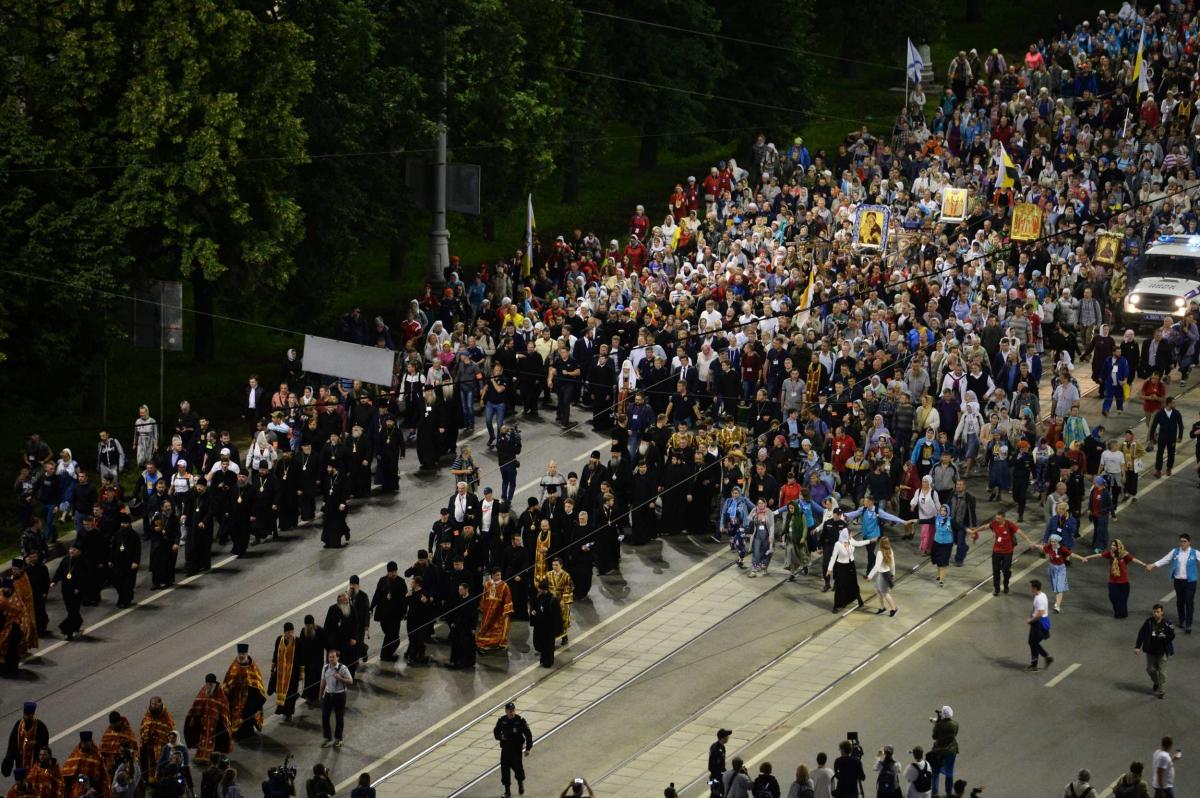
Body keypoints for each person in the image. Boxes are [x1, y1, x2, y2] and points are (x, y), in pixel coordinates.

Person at [1146, 534, 1197, 633]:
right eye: (1181, 541)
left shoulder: (1195, 553)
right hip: (1178, 581)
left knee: (1189, 602)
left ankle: (1188, 624)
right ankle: (1182, 620)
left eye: (1184, 541)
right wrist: (1153, 565)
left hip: (1190, 582)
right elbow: (1165, 559)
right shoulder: (1175, 551)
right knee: (1180, 602)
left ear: (1189, 542)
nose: (1182, 543)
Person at [182, 674, 232, 762]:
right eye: (207, 684)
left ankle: (216, 757)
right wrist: (193, 718)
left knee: (218, 740)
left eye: (210, 684)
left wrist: (222, 721)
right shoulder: (203, 691)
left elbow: (224, 708)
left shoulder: (220, 694)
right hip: (204, 722)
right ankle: (203, 757)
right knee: (203, 739)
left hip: (217, 723)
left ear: (214, 683)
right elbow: (197, 704)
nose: (208, 686)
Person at [221, 644, 266, 741]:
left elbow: (258, 682)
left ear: (247, 654)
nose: (241, 656)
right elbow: (227, 680)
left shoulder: (252, 666)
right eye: (240, 653)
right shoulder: (234, 666)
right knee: (236, 716)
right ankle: (237, 733)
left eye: (243, 654)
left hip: (249, 697)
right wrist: (227, 690)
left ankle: (248, 733)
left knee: (247, 715)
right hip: (236, 697)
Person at [1134, 603, 1175, 699]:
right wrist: (1137, 646)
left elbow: (1172, 636)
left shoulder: (1168, 623)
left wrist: (1163, 636)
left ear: (1162, 612)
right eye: (1154, 612)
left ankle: (1161, 691)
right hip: (1151, 652)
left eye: (1158, 612)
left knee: (1162, 672)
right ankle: (1156, 682)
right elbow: (1141, 634)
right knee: (1150, 670)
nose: (1156, 614)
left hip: (1162, 652)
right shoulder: (1148, 622)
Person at [369, 562, 407, 662]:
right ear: (388, 572)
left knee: (393, 636)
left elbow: (404, 599)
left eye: (395, 571)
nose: (394, 574)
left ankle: (385, 654)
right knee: (390, 635)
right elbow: (377, 595)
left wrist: (404, 612)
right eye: (392, 572)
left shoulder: (401, 582)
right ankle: (386, 654)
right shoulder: (382, 581)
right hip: (384, 615)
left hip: (395, 615)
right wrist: (371, 607)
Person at [493, 702, 532, 798]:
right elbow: (496, 733)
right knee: (505, 771)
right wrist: (501, 737)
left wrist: (528, 748)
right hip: (505, 750)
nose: (512, 712)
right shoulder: (502, 721)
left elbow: (528, 734)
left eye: (513, 710)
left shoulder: (520, 720)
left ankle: (520, 783)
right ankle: (507, 791)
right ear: (506, 711)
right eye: (510, 711)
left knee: (518, 770)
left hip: (516, 750)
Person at [3, 702, 48, 778]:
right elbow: (12, 745)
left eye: (29, 716)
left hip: (35, 763)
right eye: (26, 715)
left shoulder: (40, 726)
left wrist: (36, 743)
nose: (27, 717)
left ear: (32, 715)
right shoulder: (18, 726)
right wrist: (8, 761)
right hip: (21, 763)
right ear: (23, 714)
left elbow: (44, 743)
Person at [137, 697, 174, 788]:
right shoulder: (148, 716)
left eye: (155, 704)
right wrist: (148, 734)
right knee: (148, 765)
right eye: (152, 704)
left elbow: (171, 734)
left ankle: (160, 781)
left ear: (160, 704)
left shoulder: (167, 719)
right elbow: (143, 729)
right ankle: (150, 781)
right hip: (149, 747)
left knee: (161, 765)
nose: (153, 706)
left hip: (161, 748)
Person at [319, 649, 353, 748]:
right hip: (328, 695)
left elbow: (350, 681)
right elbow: (323, 681)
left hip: (339, 695)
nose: (331, 659)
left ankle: (338, 738)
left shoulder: (343, 668)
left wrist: (340, 678)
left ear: (338, 658)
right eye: (330, 657)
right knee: (325, 716)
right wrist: (320, 694)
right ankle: (327, 738)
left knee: (339, 717)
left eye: (333, 657)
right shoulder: (325, 668)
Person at [268, 623, 301, 720]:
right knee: (282, 693)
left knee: (291, 693)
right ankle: (282, 710)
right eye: (288, 632)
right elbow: (275, 654)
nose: (290, 634)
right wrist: (272, 668)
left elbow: (301, 657)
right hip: (281, 673)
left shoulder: (297, 641)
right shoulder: (279, 640)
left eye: (291, 631)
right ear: (284, 632)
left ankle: (289, 713)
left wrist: (301, 673)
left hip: (293, 673)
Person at [476, 568, 514, 652]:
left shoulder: (504, 585)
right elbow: (484, 597)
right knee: (486, 627)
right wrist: (482, 607)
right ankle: (483, 643)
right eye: (497, 575)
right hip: (488, 612)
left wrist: (506, 610)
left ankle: (497, 643)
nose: (499, 576)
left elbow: (508, 598)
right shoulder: (487, 584)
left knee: (497, 628)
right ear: (492, 576)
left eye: (500, 575)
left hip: (498, 612)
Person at [62, 731, 108, 798]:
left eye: (87, 743)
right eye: (83, 743)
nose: (85, 745)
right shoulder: (76, 755)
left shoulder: (97, 756)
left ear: (91, 743)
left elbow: (101, 775)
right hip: (78, 783)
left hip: (92, 785)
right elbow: (67, 771)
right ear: (81, 743)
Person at [1148, 397, 1184, 477]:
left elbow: (1181, 426)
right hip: (1162, 437)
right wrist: (1152, 438)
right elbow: (1153, 426)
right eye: (1174, 403)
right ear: (1169, 404)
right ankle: (1158, 470)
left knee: (1171, 453)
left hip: (1172, 438)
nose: (1175, 404)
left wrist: (1180, 437)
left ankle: (1169, 468)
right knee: (1159, 453)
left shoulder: (1176, 413)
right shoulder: (1160, 413)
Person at [530, 579, 560, 668]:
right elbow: (535, 607)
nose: (538, 590)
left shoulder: (553, 599)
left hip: (549, 626)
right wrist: (533, 612)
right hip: (540, 625)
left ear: (545, 589)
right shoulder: (539, 597)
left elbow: (556, 616)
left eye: (540, 589)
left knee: (549, 645)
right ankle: (543, 659)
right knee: (541, 643)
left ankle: (549, 661)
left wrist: (556, 629)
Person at [1024, 579, 1053, 672]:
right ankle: (1038, 661)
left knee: (1033, 643)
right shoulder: (1042, 595)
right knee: (1032, 643)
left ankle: (1038, 662)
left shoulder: (1039, 599)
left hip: (1039, 623)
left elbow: (1040, 613)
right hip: (1038, 623)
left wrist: (1031, 620)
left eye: (1032, 587)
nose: (1030, 588)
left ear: (1035, 588)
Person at [928, 707, 958, 796]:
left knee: (935, 772)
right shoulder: (955, 724)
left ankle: (935, 793)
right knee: (949, 772)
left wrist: (937, 723)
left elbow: (934, 736)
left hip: (939, 751)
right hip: (951, 751)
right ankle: (948, 792)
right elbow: (953, 732)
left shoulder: (939, 725)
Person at [867, 536, 899, 617]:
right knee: (878, 591)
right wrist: (893, 573)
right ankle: (882, 607)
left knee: (885, 594)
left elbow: (877, 566)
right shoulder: (890, 551)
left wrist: (870, 576)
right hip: (886, 574)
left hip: (882, 575)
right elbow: (893, 564)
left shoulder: (880, 552)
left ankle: (894, 609)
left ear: (880, 543)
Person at [708, 729, 730, 796]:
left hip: (716, 776)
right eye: (727, 736)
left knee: (714, 794)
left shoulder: (719, 746)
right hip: (716, 777)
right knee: (717, 794)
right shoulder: (717, 750)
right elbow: (715, 767)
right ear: (723, 738)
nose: (728, 738)